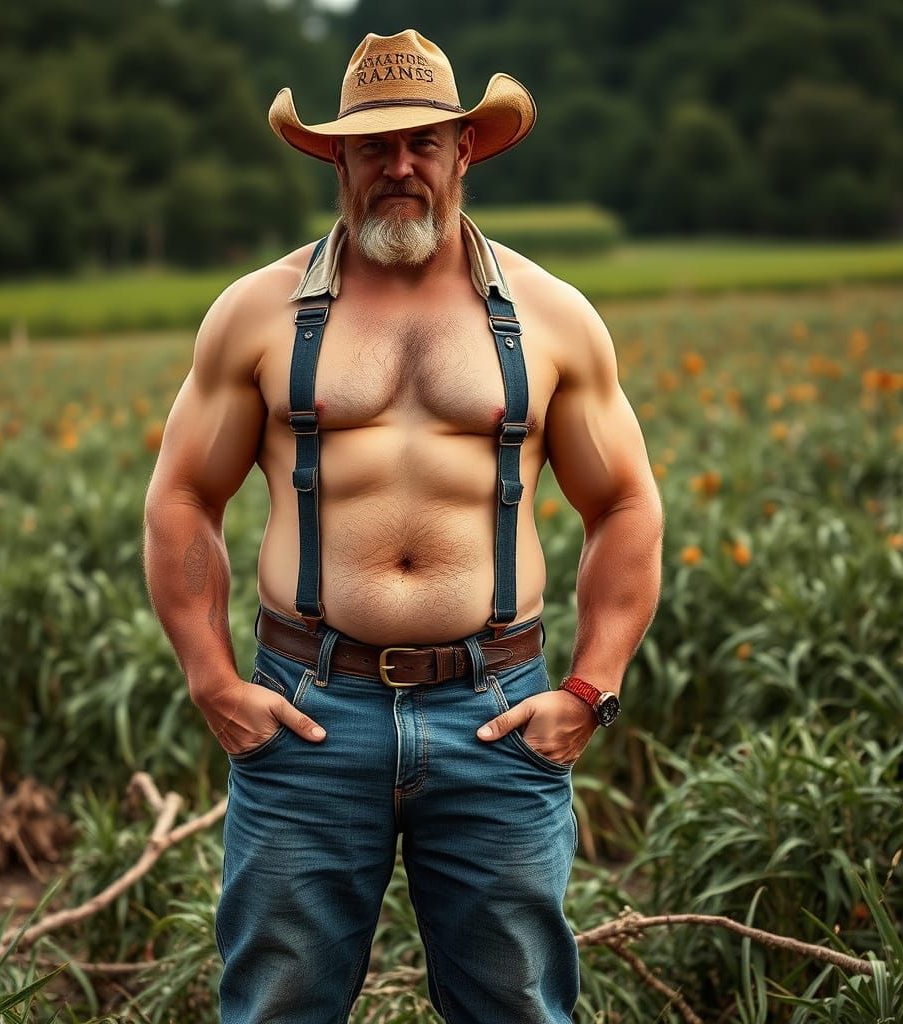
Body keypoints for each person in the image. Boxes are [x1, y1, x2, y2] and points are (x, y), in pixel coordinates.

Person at [143, 28, 663, 1024]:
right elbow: (180, 498)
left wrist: (589, 689)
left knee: (514, 1005)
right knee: (277, 1003)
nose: (400, 166)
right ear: (334, 155)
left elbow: (626, 504)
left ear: (465, 150)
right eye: (373, 147)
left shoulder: (553, 317)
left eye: (424, 142)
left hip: (496, 712)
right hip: (306, 713)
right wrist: (212, 681)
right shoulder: (254, 313)